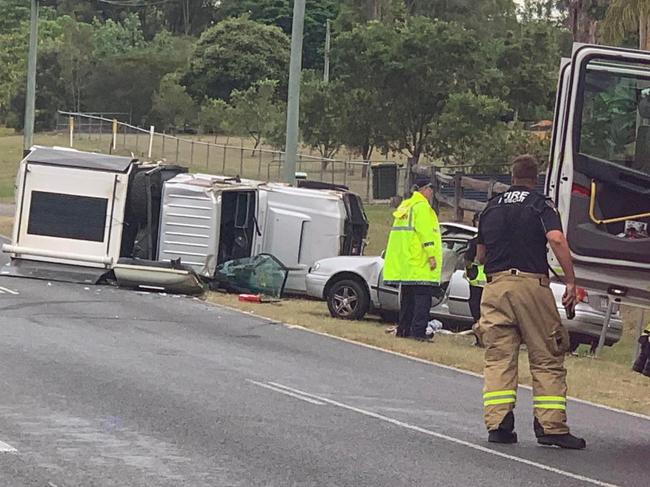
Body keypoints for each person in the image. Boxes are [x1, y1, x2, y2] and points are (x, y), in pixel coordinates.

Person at [475, 154, 586, 449]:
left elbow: (481, 255)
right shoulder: (540, 204)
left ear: (512, 177)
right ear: (534, 178)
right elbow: (557, 239)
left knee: (498, 357)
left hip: (495, 287)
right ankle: (551, 426)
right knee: (547, 355)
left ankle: (499, 425)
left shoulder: (490, 208)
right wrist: (571, 279)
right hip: (530, 285)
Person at [384, 175, 442, 340]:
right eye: (431, 189)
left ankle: (404, 330)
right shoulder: (422, 208)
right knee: (422, 300)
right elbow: (426, 233)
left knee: (407, 299)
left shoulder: (405, 206)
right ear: (425, 190)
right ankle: (418, 332)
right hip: (420, 261)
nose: (432, 193)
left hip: (407, 262)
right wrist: (431, 256)